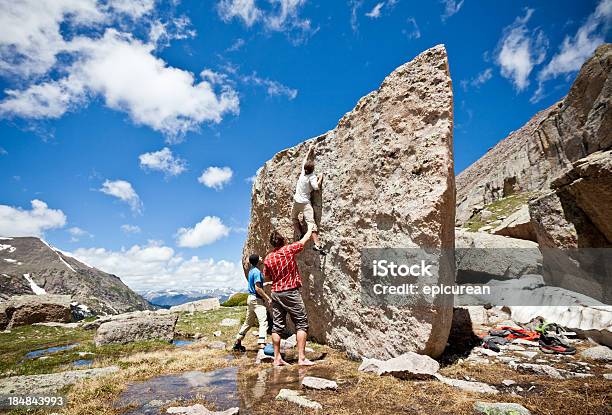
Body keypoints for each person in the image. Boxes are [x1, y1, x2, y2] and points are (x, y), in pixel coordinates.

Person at [263, 225, 315, 366]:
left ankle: (277, 358)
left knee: (277, 327)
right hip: (290, 291)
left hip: (276, 293)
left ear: (272, 243)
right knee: (301, 323)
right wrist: (310, 229)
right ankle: (302, 358)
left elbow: (266, 276)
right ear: (283, 241)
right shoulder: (288, 250)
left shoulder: (268, 258)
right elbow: (303, 241)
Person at [232, 254, 271, 353]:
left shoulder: (251, 271)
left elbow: (255, 286)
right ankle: (262, 345)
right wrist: (267, 298)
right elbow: (257, 288)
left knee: (248, 322)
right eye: (260, 257)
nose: (262, 258)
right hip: (257, 300)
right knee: (263, 322)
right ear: (258, 260)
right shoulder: (257, 272)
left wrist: (267, 283)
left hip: (250, 299)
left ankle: (238, 341)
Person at [292, 143, 326, 255]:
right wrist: (320, 177)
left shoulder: (302, 172)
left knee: (294, 218)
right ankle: (317, 244)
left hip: (296, 201)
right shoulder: (312, 176)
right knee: (311, 223)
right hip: (305, 203)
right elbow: (316, 187)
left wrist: (310, 149)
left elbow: (305, 159)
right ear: (312, 170)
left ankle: (300, 234)